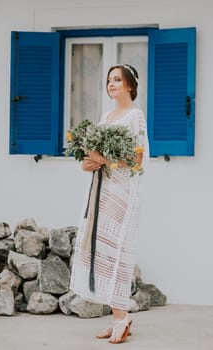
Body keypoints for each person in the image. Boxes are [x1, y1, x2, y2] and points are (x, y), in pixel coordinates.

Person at [70, 64, 149, 344]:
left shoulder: (135, 117)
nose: (111, 84)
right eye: (108, 80)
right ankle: (118, 317)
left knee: (116, 252)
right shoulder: (106, 116)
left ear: (130, 85)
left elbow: (136, 160)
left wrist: (103, 160)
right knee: (101, 252)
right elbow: (97, 157)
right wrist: (90, 162)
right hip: (101, 189)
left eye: (117, 79)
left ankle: (121, 318)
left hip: (121, 192)